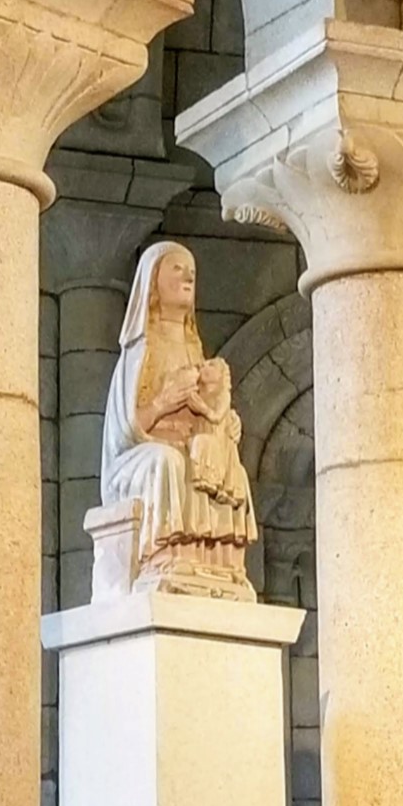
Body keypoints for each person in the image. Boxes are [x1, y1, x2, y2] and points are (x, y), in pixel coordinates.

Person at [100, 241, 256, 598]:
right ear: (153, 281)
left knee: (228, 465)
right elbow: (123, 431)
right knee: (168, 462)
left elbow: (209, 405)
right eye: (177, 269)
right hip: (139, 458)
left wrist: (225, 423)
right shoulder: (140, 351)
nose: (188, 276)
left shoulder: (194, 348)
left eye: (192, 272)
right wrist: (161, 402)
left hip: (191, 447)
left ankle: (218, 562)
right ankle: (166, 556)